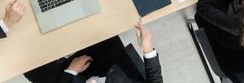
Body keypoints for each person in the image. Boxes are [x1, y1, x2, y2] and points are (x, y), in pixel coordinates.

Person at [24, 22, 163, 83]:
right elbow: (154, 79)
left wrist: (71, 72)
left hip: (73, 79)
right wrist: (148, 50)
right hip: (113, 70)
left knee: (31, 67)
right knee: (96, 28)